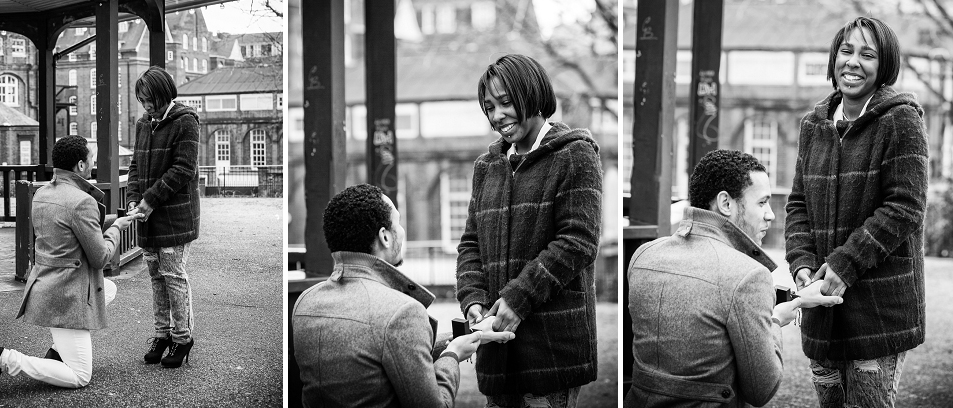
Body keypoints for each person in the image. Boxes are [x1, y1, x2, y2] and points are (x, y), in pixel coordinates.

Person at [625, 149, 843, 407]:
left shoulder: (643, 256)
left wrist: (795, 300)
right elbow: (762, 390)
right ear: (726, 204)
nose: (771, 214)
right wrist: (773, 320)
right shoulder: (749, 275)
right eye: (762, 202)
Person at [786, 16, 929, 407]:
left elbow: (906, 207)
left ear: (884, 67)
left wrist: (843, 265)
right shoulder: (812, 125)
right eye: (846, 51)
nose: (852, 62)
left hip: (879, 309)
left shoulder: (901, 119)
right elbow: (797, 202)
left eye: (867, 54)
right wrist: (800, 263)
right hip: (821, 309)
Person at [456, 54, 601, 408]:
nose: (496, 115)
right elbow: (470, 242)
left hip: (551, 351)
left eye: (505, 102)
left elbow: (578, 242)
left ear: (533, 94)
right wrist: (473, 301)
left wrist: (517, 300)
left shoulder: (575, 154)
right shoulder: (486, 167)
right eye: (489, 107)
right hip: (496, 353)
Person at [292, 184, 515, 407]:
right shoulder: (402, 311)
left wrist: (467, 335)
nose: (402, 230)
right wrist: (452, 355)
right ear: (385, 237)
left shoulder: (306, 302)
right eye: (397, 223)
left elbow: (378, 350)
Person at [0, 135, 138, 392]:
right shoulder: (81, 201)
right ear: (81, 166)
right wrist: (116, 228)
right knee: (80, 376)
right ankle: (5, 359)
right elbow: (100, 258)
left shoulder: (42, 193)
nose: (93, 164)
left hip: (45, 283)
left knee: (108, 289)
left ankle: (58, 351)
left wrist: (106, 222)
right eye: (91, 160)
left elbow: (68, 228)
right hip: (66, 296)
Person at [126, 66, 201, 368]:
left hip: (174, 216)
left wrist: (149, 200)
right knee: (156, 278)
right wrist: (134, 199)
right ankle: (162, 334)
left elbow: (184, 169)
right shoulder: (144, 123)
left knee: (173, 277)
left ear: (164, 94)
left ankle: (183, 338)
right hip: (147, 214)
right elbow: (134, 166)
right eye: (142, 100)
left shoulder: (186, 122)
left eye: (149, 100)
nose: (146, 106)